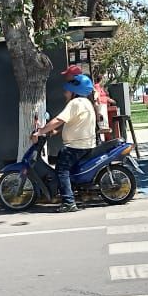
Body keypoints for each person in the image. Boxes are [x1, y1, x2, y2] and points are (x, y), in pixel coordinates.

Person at [29, 74, 97, 213]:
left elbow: (58, 120)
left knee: (61, 170)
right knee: (61, 156)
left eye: (67, 91)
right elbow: (75, 124)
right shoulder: (86, 103)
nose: (64, 93)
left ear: (74, 91)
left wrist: (40, 131)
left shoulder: (75, 103)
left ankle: (69, 202)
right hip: (84, 145)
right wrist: (54, 132)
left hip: (76, 147)